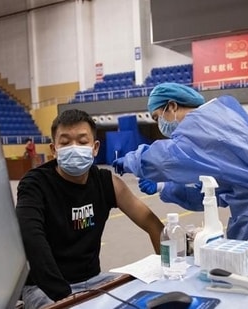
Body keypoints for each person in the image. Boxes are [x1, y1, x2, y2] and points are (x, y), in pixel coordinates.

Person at [112, 82, 248, 280]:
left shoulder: (201, 125)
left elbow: (168, 158)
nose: (160, 125)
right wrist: (163, 186)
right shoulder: (223, 119)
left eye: (158, 117)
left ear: (172, 106)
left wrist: (132, 161)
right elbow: (217, 189)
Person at [16, 109, 164, 308]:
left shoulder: (107, 182)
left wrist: (168, 270)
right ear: (54, 149)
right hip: (45, 287)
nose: (74, 148)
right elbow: (31, 239)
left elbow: (152, 223)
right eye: (65, 142)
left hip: (94, 281)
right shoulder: (35, 184)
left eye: (82, 141)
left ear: (95, 148)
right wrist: (65, 297)